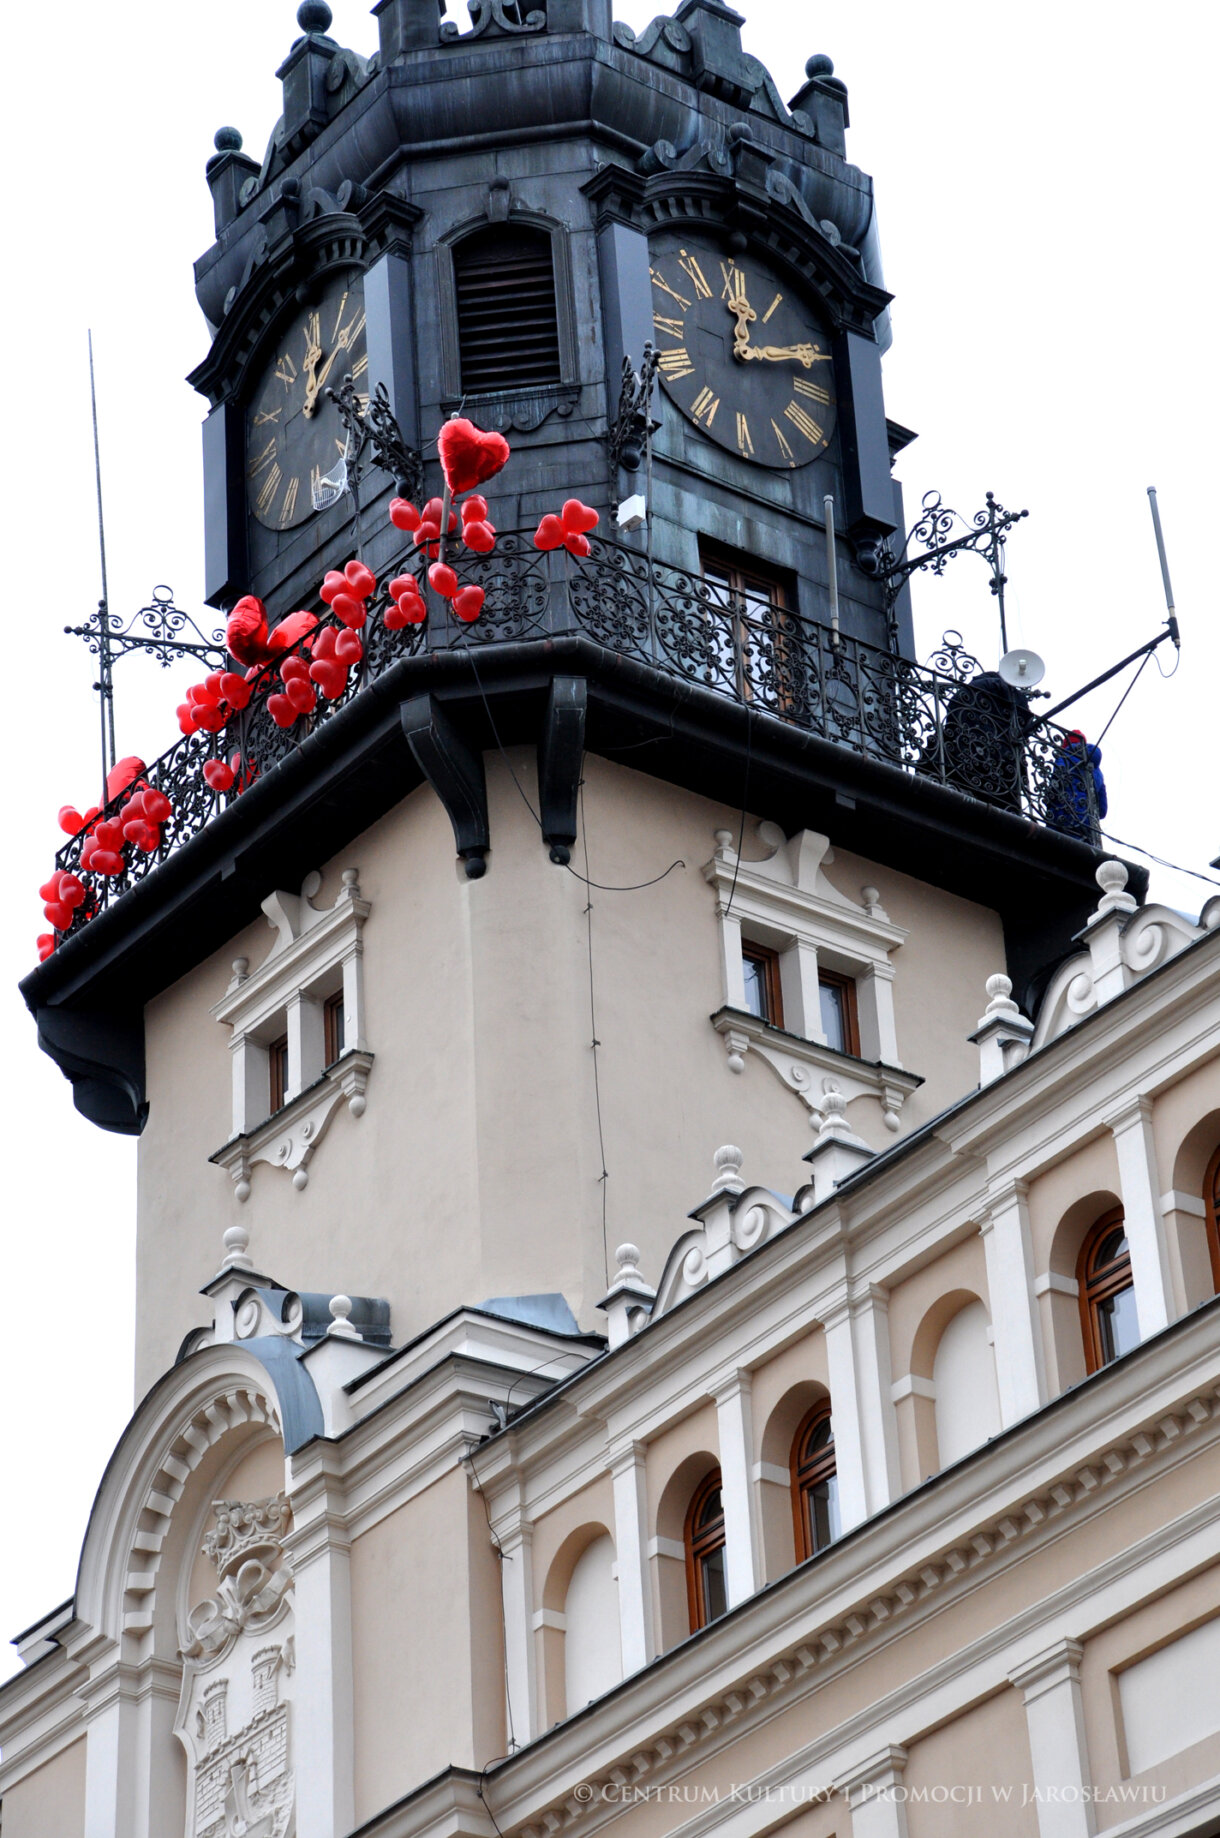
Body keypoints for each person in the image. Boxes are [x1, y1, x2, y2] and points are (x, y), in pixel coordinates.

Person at [1046, 728, 1107, 841]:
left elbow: (1056, 782)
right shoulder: (1098, 772)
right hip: (1088, 825)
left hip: (1064, 815)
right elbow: (1103, 810)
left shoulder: (1064, 757)